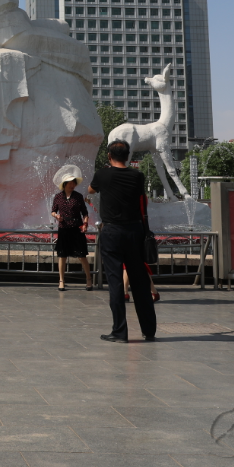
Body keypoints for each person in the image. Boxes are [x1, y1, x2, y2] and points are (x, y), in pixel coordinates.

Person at [88, 140, 157, 342]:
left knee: (116, 282)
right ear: (128, 157)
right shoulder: (137, 176)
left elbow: (91, 190)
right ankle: (149, 330)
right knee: (140, 282)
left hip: (112, 232)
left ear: (109, 156)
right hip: (134, 232)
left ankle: (120, 332)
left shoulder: (102, 174)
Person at [50, 165, 92, 291]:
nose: (72, 185)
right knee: (62, 255)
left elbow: (85, 213)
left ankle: (89, 279)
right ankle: (61, 280)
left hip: (76, 228)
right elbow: (53, 211)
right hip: (63, 227)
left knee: (81, 255)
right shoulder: (58, 197)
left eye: (74, 183)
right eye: (70, 183)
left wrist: (85, 224)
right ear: (64, 184)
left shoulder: (78, 196)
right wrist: (56, 216)